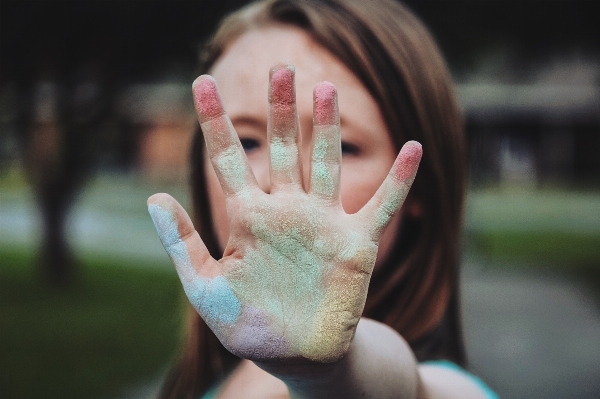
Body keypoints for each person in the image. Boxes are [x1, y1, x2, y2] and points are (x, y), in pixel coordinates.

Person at [147, 0, 498, 398]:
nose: (279, 185)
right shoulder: (215, 380)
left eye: (343, 146)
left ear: (420, 189)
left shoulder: (443, 388)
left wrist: (323, 370)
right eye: (245, 141)